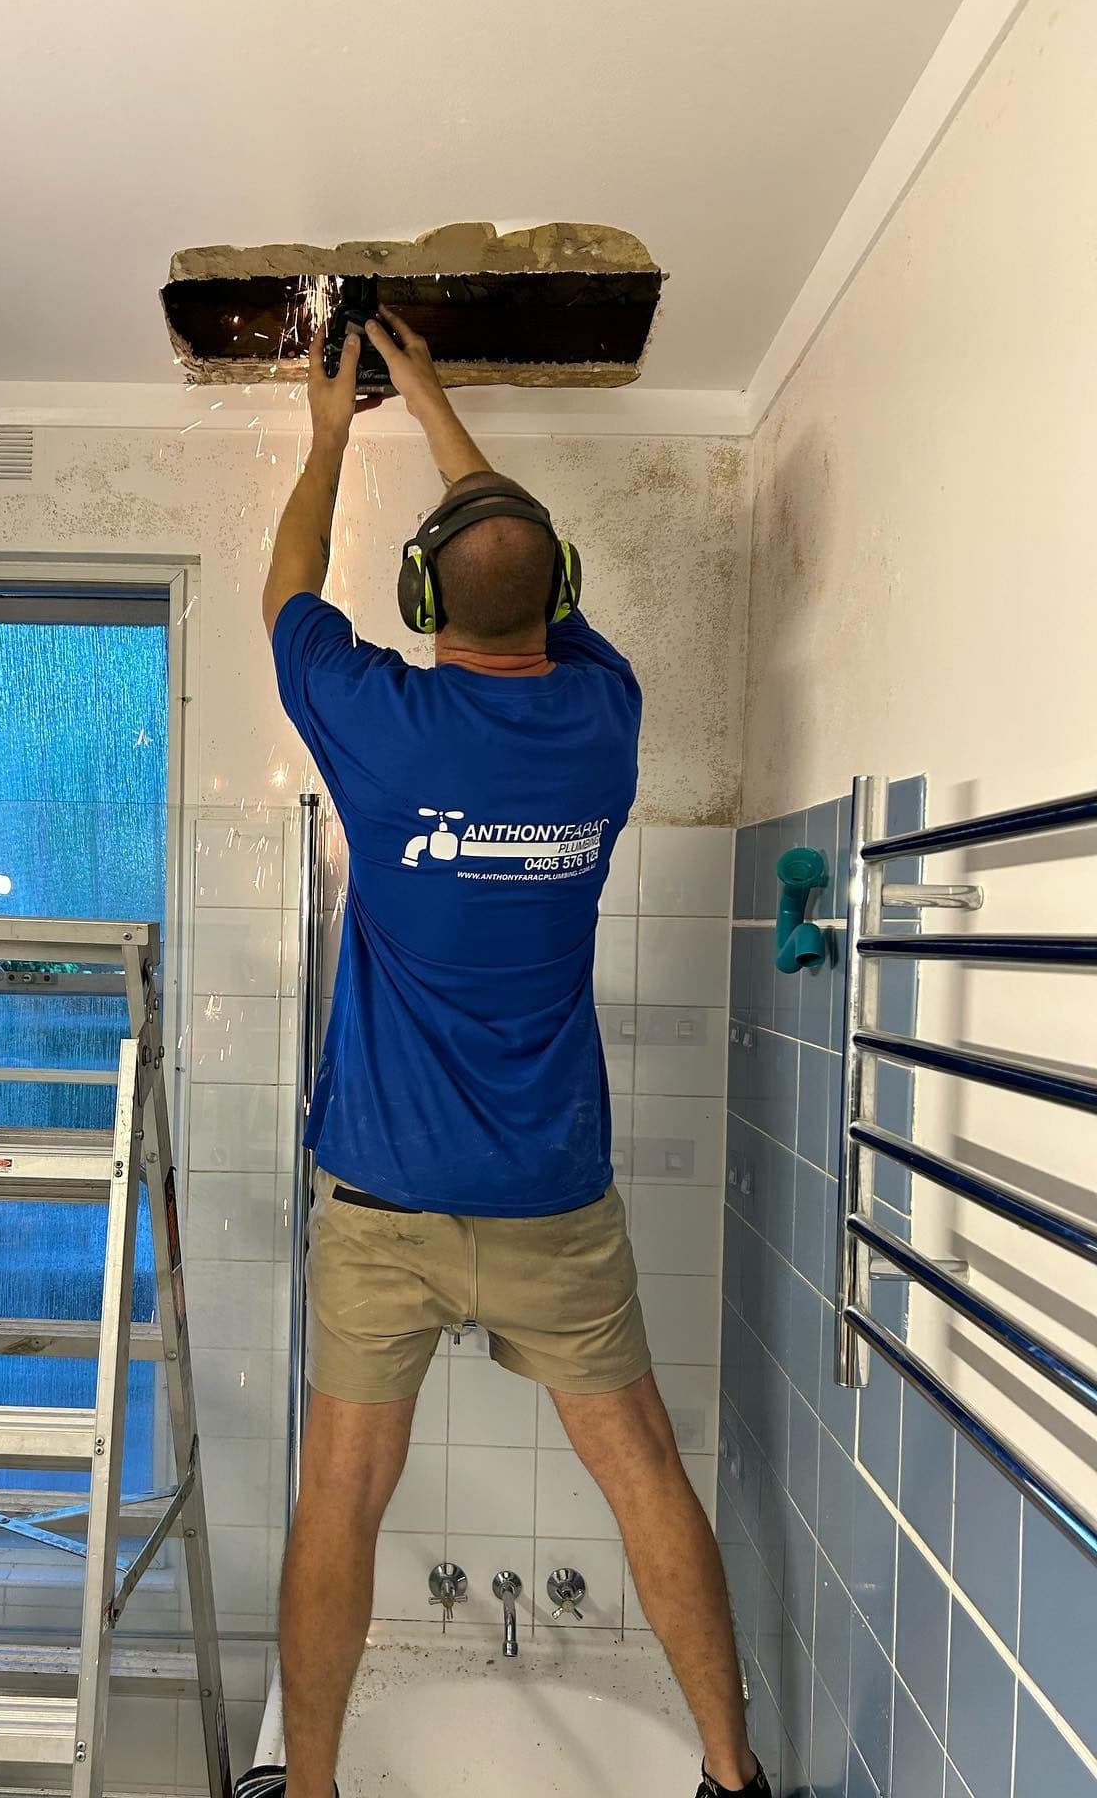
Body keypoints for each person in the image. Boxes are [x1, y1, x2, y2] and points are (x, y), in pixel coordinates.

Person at [258, 309, 768, 1798]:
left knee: (339, 1501)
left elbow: (288, 589)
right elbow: (528, 576)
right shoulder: (604, 722)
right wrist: (440, 408)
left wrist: (336, 429)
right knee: (646, 1477)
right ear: (562, 599)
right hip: (554, 1201)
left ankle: (313, 1792)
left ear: (420, 597)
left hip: (385, 1207)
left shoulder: (385, 725)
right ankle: (734, 1779)